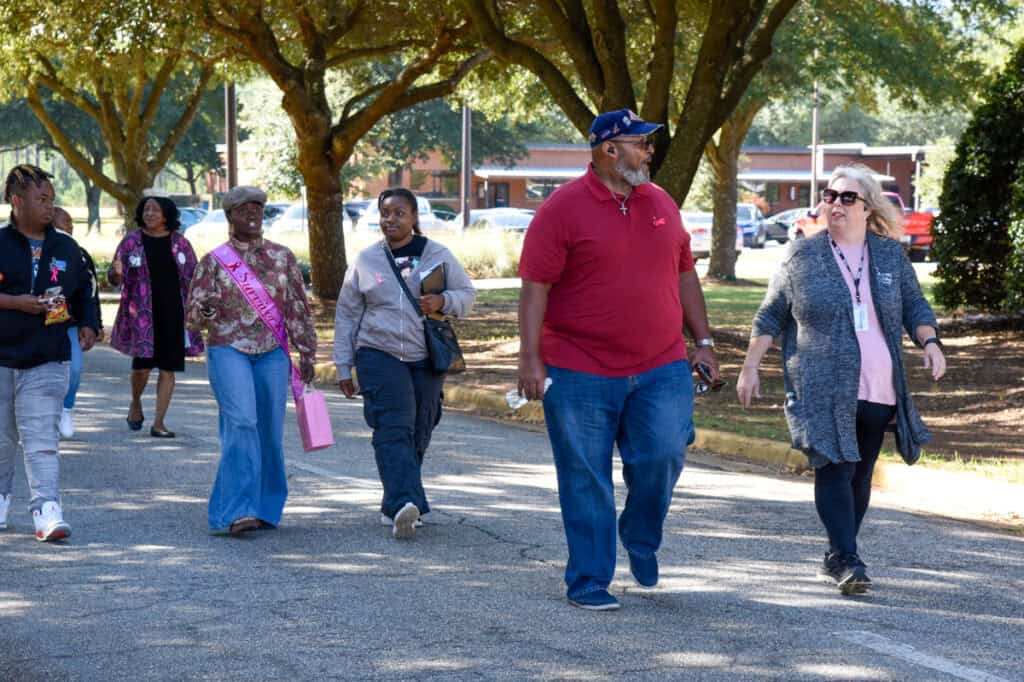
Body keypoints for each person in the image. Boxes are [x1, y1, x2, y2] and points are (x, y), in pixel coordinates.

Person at [517, 110, 720, 611]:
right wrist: (530, 360)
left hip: (661, 364)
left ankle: (640, 532)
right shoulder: (562, 209)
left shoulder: (662, 204)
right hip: (578, 367)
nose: (650, 152)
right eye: (641, 144)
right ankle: (589, 579)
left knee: (665, 453)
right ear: (609, 150)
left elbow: (685, 274)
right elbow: (535, 288)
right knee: (585, 475)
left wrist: (705, 341)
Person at [737, 164, 946, 596]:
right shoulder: (803, 256)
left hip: (878, 384)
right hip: (820, 385)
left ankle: (838, 552)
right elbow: (771, 313)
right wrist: (750, 365)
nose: (835, 204)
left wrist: (930, 343)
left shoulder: (889, 256)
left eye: (846, 198)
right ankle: (848, 558)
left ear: (868, 207)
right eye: (830, 196)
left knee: (860, 473)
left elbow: (915, 308)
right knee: (835, 465)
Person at [334, 188, 476, 540]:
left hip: (425, 354)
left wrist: (444, 299)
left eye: (399, 213)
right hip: (378, 352)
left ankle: (396, 501)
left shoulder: (438, 255)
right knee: (392, 425)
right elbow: (347, 314)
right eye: (385, 213)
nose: (391, 220)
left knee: (420, 427)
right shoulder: (366, 260)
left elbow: (467, 296)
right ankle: (404, 504)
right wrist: (342, 365)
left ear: (414, 217)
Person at [186, 186, 317, 536]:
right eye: (244, 211)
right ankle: (234, 511)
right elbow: (194, 316)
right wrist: (206, 309)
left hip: (272, 351)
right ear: (230, 217)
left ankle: (265, 507)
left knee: (269, 431)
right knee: (242, 422)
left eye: (258, 210)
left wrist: (306, 351)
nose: (253, 216)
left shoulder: (282, 257)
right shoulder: (214, 261)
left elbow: (298, 307)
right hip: (228, 347)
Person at [0, 165, 98, 541]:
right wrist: (16, 303)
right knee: (3, 439)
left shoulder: (66, 247)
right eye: (41, 199)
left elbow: (82, 292)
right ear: (17, 201)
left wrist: (88, 323)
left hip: (48, 355)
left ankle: (47, 510)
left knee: (41, 437)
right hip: (3, 356)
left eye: (51, 200)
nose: (48, 207)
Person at [108, 196, 203, 438]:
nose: (149, 213)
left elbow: (195, 277)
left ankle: (159, 423)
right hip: (142, 315)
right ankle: (136, 403)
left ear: (166, 215)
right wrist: (116, 274)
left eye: (155, 210)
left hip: (174, 312)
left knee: (168, 368)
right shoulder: (131, 241)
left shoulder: (180, 243)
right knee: (141, 369)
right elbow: (114, 276)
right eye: (146, 209)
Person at [52, 207, 104, 439]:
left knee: (74, 369)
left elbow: (91, 291)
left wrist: (94, 323)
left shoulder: (79, 254)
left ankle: (66, 409)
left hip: (70, 323)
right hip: (36, 323)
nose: (71, 226)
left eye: (72, 222)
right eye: (66, 221)